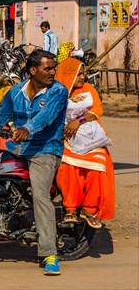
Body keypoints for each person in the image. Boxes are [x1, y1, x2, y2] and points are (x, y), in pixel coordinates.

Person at [0, 49, 68, 275]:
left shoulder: (58, 91)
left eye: (53, 67)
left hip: (45, 150)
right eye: (48, 68)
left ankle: (49, 252)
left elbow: (45, 118)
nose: (53, 72)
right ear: (32, 70)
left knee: (40, 194)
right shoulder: (15, 92)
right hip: (16, 148)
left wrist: (27, 128)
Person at [54, 57, 115, 229]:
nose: (83, 77)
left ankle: (89, 209)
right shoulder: (57, 91)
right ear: (69, 75)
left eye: (83, 73)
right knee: (67, 166)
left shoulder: (88, 89)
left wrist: (79, 120)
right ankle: (71, 208)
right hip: (66, 138)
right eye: (79, 74)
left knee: (98, 165)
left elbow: (97, 109)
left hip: (90, 137)